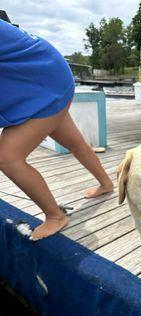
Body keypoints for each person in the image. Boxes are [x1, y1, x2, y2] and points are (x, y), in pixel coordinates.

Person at [0, 19, 113, 241]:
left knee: (7, 157)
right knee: (74, 142)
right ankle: (106, 184)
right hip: (47, 76)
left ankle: (55, 216)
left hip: (43, 82)